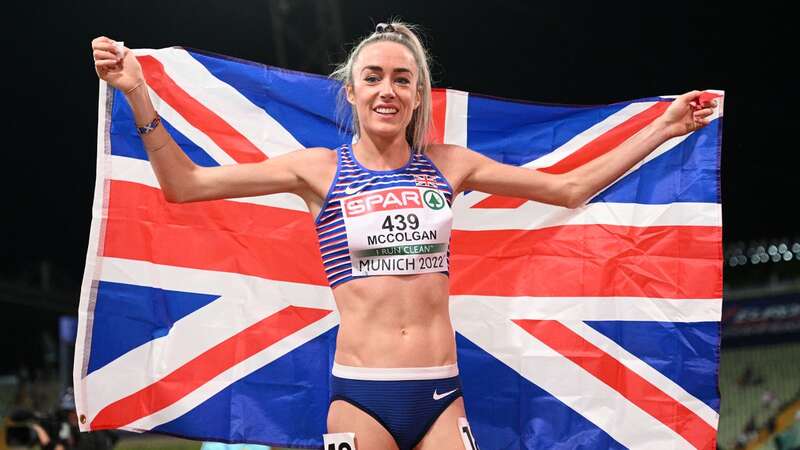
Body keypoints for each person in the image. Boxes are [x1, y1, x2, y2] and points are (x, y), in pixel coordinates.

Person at [91, 20, 718, 450]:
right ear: (353, 90)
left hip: (443, 395)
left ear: (419, 94)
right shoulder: (318, 169)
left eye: (401, 78)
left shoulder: (450, 164)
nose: (386, 89)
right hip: (360, 398)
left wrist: (662, 129)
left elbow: (570, 189)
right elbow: (185, 186)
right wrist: (139, 93)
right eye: (373, 77)